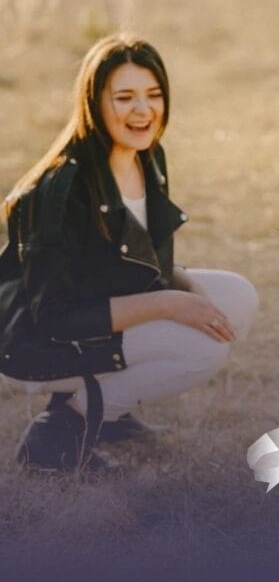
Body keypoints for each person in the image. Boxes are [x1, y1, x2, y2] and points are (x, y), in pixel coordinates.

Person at [0, 34, 259, 472]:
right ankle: (62, 428)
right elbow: (55, 316)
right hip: (35, 343)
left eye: (153, 95)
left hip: (91, 316)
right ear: (94, 102)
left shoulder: (148, 156)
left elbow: (133, 263)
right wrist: (170, 303)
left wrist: (191, 289)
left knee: (238, 297)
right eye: (124, 97)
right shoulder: (64, 189)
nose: (144, 111)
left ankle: (112, 414)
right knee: (203, 351)